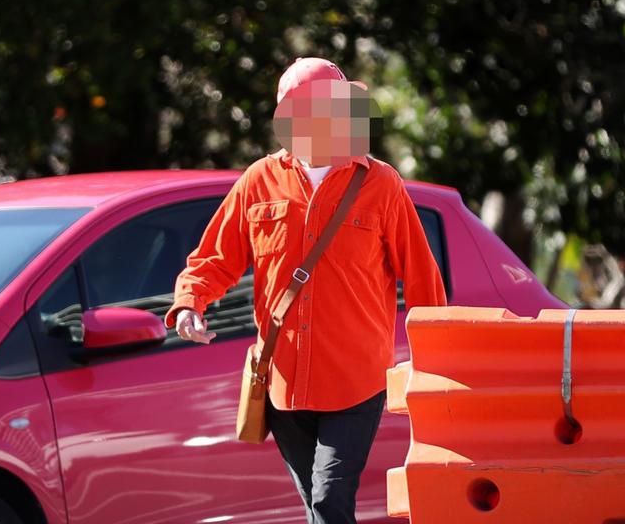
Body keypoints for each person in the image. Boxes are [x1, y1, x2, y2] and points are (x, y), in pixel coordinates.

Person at [165, 57, 447, 524]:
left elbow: (421, 277)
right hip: (283, 383)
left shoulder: (381, 184)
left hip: (357, 381)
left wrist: (436, 355)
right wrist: (190, 304)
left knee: (329, 499)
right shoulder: (259, 182)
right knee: (318, 507)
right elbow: (214, 258)